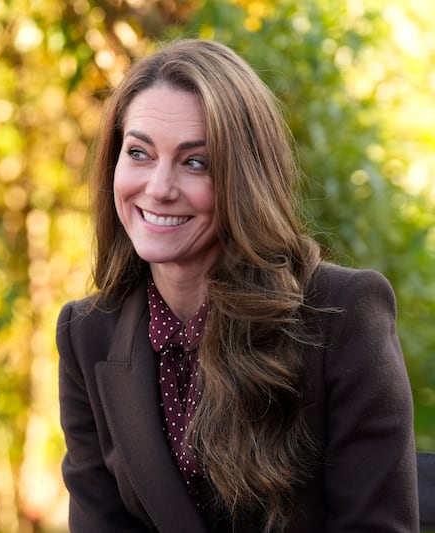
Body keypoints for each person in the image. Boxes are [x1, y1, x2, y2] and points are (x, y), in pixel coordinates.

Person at [56, 38, 418, 532]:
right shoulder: (85, 334)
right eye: (139, 152)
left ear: (244, 179)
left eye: (195, 162)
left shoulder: (345, 316)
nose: (159, 187)